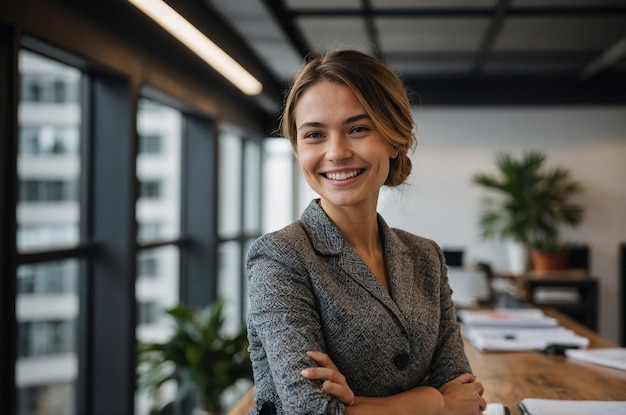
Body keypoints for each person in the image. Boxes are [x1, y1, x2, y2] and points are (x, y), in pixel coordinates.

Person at [246, 49, 486, 415]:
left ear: (395, 139)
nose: (336, 152)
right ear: (298, 149)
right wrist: (432, 400)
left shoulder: (426, 257)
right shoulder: (280, 257)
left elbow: (464, 394)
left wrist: (357, 404)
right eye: (314, 135)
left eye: (357, 129)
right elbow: (311, 411)